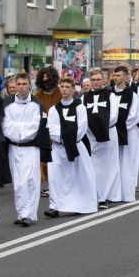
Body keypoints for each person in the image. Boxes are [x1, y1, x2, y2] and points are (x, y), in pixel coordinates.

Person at [0, 72, 52, 227]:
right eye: (19, 84)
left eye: (24, 84)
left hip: (31, 147)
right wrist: (21, 129)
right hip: (14, 148)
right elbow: (6, 126)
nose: (21, 87)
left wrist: (18, 129)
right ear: (14, 85)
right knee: (18, 182)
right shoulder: (8, 104)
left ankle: (27, 214)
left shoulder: (37, 104)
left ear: (30, 84)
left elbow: (36, 126)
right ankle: (22, 213)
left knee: (30, 181)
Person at [44, 77, 98, 218]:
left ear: (73, 89)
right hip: (59, 148)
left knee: (78, 177)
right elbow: (50, 129)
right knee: (56, 178)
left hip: (76, 147)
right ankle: (55, 206)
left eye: (67, 87)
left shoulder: (80, 108)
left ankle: (81, 205)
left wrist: (64, 131)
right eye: (62, 86)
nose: (64, 89)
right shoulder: (54, 109)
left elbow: (80, 129)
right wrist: (65, 133)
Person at [82, 69, 121, 209]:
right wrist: (91, 130)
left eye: (98, 79)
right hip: (90, 136)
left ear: (103, 80)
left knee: (107, 166)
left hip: (108, 134)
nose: (96, 82)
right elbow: (82, 117)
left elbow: (113, 116)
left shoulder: (110, 96)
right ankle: (94, 195)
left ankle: (105, 197)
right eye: (93, 80)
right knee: (92, 167)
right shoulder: (84, 97)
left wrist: (100, 128)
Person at [112, 66, 139, 201]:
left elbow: (136, 115)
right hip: (112, 132)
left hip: (127, 132)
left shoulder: (132, 94)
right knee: (112, 163)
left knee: (127, 163)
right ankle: (113, 194)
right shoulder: (109, 94)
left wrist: (122, 127)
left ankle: (127, 194)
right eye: (114, 75)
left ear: (125, 77)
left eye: (118, 75)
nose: (115, 77)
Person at [35, 67, 62, 198]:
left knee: (57, 160)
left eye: (47, 77)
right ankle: (47, 186)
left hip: (57, 130)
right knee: (44, 160)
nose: (45, 79)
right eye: (43, 77)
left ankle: (56, 186)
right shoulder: (38, 95)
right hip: (43, 130)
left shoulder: (60, 92)